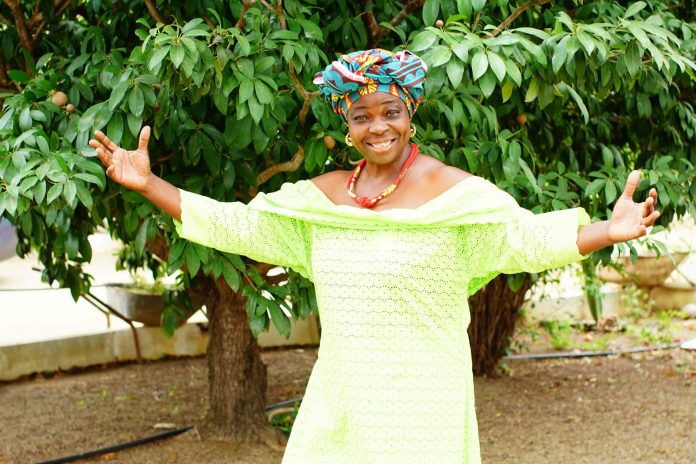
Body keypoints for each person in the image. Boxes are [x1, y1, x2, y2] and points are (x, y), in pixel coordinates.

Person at [90, 49, 659, 463]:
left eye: (390, 110)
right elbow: (237, 225)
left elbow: (524, 240)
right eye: (361, 115)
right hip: (344, 397)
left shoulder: (454, 194)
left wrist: (607, 231)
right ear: (347, 124)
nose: (377, 126)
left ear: (410, 112)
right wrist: (149, 185)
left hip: (425, 405)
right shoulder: (323, 200)